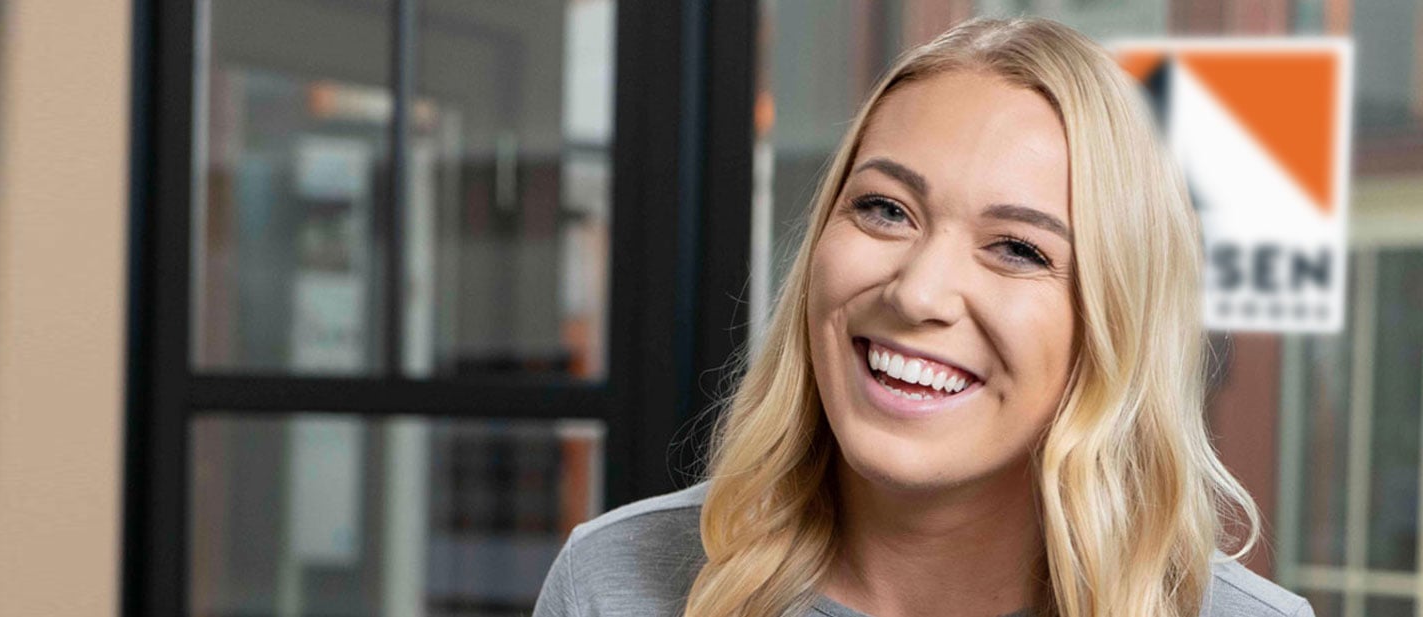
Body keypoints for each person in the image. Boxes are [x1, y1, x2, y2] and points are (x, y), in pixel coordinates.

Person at [533, 16, 1314, 617]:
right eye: (884, 208)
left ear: (1114, 321)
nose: (917, 294)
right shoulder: (615, 582)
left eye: (1017, 248)